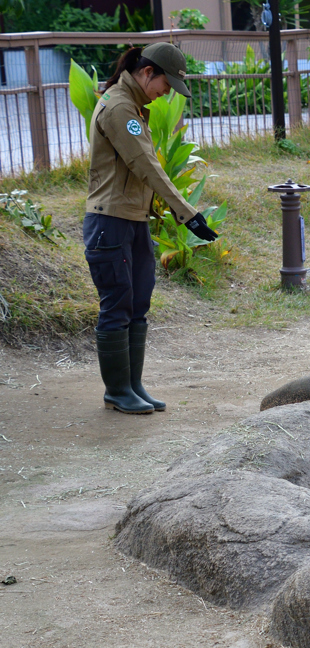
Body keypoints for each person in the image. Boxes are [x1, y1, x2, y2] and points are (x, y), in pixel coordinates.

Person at [84, 43, 218, 414]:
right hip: (109, 221)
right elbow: (145, 164)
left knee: (138, 300)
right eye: (166, 84)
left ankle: (132, 384)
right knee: (118, 303)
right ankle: (117, 390)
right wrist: (186, 213)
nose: (166, 93)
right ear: (147, 73)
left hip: (133, 219)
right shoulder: (120, 107)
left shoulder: (134, 106)